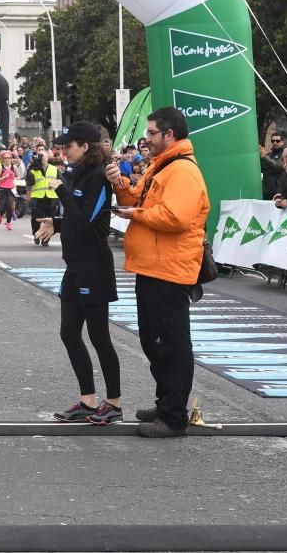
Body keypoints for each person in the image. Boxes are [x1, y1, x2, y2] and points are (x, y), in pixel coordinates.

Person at [107, 107, 210, 438]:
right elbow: (139, 198)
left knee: (171, 344)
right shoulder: (163, 166)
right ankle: (167, 402)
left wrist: (135, 213)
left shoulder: (181, 170)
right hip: (154, 266)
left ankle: (174, 415)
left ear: (170, 134)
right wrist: (121, 184)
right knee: (156, 343)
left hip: (170, 268)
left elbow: (175, 217)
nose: (146, 140)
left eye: (152, 133)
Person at [35, 121, 122, 425]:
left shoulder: (98, 177)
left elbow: (87, 224)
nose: (63, 150)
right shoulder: (78, 174)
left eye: (69, 146)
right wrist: (55, 224)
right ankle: (88, 400)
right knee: (69, 332)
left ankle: (113, 403)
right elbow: (75, 218)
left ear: (85, 146)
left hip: (94, 267)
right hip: (75, 266)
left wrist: (61, 192)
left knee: (99, 337)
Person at [27, 140, 59, 247]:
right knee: (36, 219)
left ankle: (46, 239)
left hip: (51, 198)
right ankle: (36, 234)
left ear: (47, 157)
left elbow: (62, 182)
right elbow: (29, 182)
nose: (41, 158)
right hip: (37, 197)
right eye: (39, 156)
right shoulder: (33, 169)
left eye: (43, 156)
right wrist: (31, 169)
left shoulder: (54, 169)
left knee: (50, 219)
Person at [0, 149, 17, 230]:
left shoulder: (14, 167)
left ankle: (8, 223)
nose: (7, 159)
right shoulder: (1, 168)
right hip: (2, 189)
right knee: (3, 206)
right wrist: (4, 177)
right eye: (6, 158)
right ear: (3, 159)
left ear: (11, 159)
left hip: (11, 189)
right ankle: (0, 215)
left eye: (9, 158)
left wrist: (16, 178)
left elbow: (18, 176)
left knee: (10, 205)